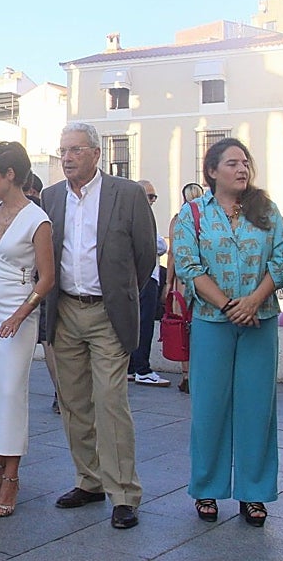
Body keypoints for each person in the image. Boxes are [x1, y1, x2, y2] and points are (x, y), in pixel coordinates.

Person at [173, 138, 283, 527]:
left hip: (259, 320)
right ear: (211, 171)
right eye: (232, 163)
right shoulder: (193, 214)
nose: (242, 169)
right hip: (212, 321)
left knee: (258, 408)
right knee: (209, 407)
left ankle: (254, 493)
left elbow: (282, 261)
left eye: (246, 162)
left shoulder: (267, 210)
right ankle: (206, 487)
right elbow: (189, 267)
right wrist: (228, 305)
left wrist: (252, 302)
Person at [43, 122, 156, 530]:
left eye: (75, 150)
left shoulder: (126, 195)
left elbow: (145, 257)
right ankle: (88, 480)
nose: (68, 158)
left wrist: (119, 294)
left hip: (108, 313)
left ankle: (124, 493)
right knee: (73, 401)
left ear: (95, 152)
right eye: (63, 151)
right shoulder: (51, 197)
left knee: (110, 400)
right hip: (66, 310)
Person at [0, 141, 54, 517]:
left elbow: (48, 277)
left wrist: (22, 315)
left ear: (10, 175)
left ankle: (12, 477)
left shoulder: (37, 219)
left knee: (10, 392)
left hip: (19, 310)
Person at [128, 180, 169, 387]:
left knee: (134, 324)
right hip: (145, 278)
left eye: (153, 197)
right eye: (149, 196)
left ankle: (132, 367)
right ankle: (141, 368)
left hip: (135, 279)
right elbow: (159, 246)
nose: (152, 201)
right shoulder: (140, 218)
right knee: (143, 324)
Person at [166, 183, 205, 393]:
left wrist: (167, 283)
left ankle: (186, 374)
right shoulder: (210, 216)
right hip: (205, 279)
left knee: (183, 326)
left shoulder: (179, 218)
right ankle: (202, 373)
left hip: (182, 279)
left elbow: (173, 253)